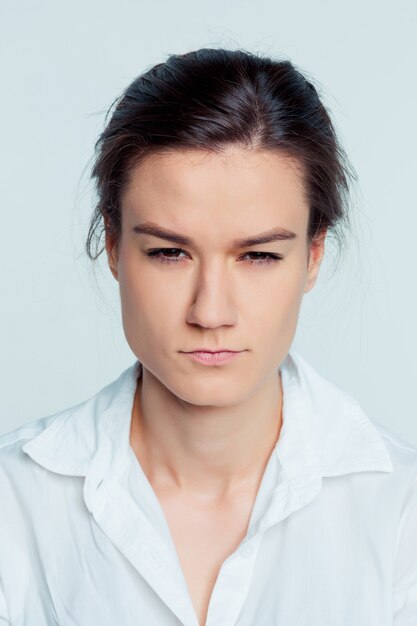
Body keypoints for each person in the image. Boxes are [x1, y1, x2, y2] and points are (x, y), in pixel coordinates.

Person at [0, 47, 416, 626]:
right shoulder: (14, 504)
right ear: (115, 248)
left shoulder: (402, 514)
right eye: (170, 252)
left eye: (259, 255)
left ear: (313, 254)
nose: (210, 310)